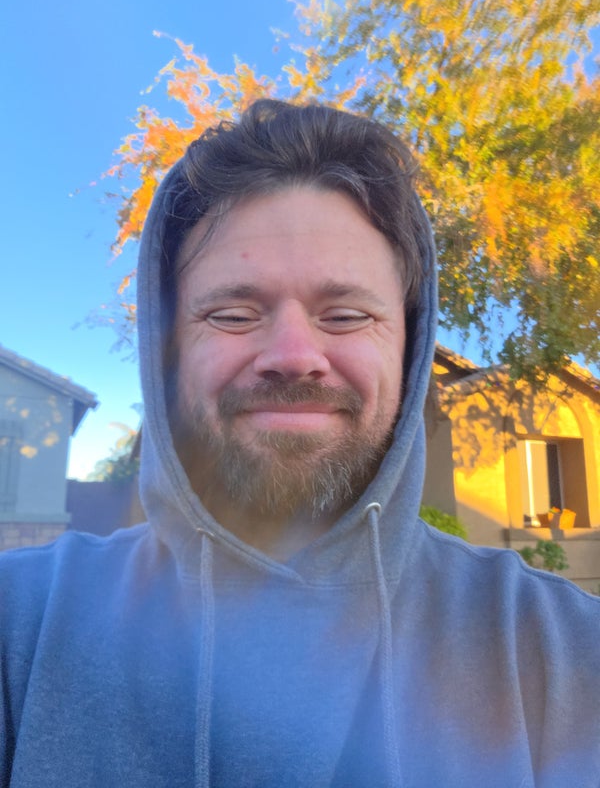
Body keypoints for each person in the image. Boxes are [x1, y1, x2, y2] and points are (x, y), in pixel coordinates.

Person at [1, 99, 599, 788]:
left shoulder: (565, 653)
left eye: (345, 315)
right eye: (233, 314)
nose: (292, 356)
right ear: (168, 356)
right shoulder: (20, 628)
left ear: (408, 353)